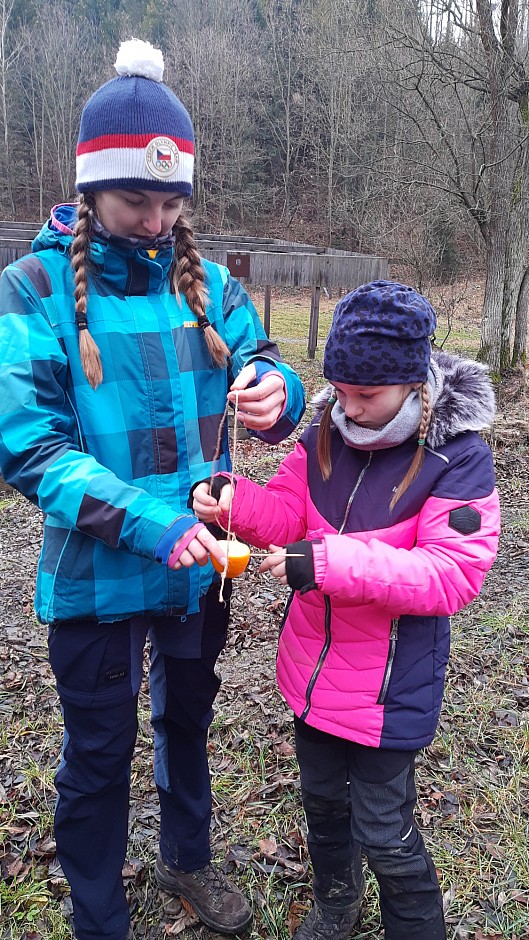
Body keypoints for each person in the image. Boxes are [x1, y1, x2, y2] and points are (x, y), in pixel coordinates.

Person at [0, 39, 305, 940]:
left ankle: (186, 858)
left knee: (186, 724)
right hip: (101, 572)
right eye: (138, 198)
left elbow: (263, 359)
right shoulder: (32, 289)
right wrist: (152, 523)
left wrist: (272, 391)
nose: (157, 217)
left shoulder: (209, 284)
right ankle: (98, 912)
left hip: (198, 564)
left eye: (174, 201)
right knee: (97, 753)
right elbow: (30, 447)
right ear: (90, 187)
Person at [193, 279, 501, 940]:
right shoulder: (324, 433)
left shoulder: (456, 457)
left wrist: (324, 562)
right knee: (324, 806)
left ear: (412, 382)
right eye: (341, 391)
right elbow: (283, 513)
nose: (349, 408)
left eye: (367, 396)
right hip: (312, 679)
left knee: (385, 832)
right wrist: (232, 499)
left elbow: (452, 573)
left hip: (388, 694)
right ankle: (338, 904)